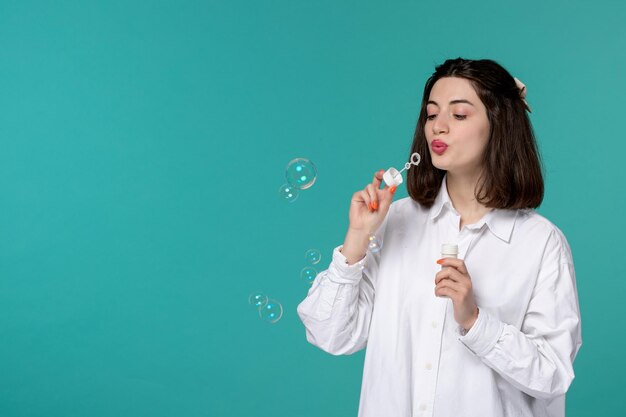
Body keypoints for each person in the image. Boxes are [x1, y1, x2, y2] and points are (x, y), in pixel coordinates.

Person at [297, 58, 582, 417]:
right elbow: (329, 334)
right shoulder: (395, 222)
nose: (438, 128)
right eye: (432, 115)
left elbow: (553, 375)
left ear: (500, 125)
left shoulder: (540, 243)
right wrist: (357, 238)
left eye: (459, 115)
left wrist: (475, 320)